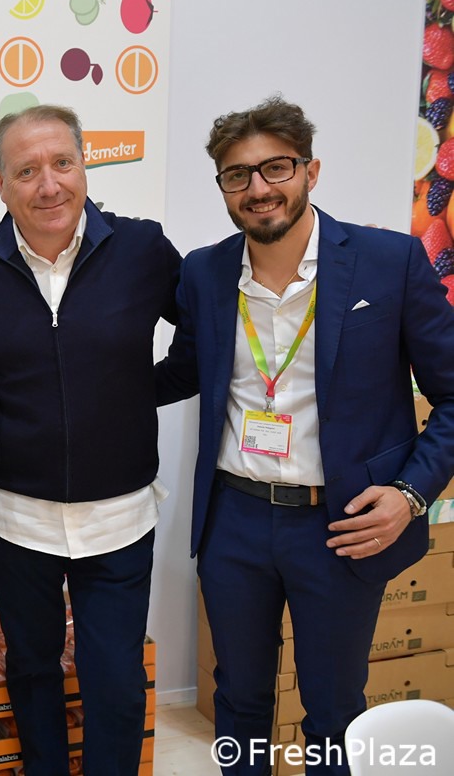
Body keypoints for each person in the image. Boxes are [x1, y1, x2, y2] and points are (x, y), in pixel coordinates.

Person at [157, 96, 454, 775]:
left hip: (341, 522)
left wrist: (410, 494)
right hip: (233, 520)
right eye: (238, 175)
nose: (258, 188)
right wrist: (80, 387)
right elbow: (183, 370)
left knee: (332, 709)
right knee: (238, 700)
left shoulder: (389, 262)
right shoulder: (204, 271)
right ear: (223, 187)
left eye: (276, 168)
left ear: (310, 171)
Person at [0, 105, 182, 776]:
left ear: (85, 165)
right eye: (27, 171)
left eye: (62, 163)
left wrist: (140, 392)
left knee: (115, 677)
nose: (48, 185)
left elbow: (205, 332)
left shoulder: (141, 250)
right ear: (1, 184)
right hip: (16, 516)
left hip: (119, 516)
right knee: (31, 668)